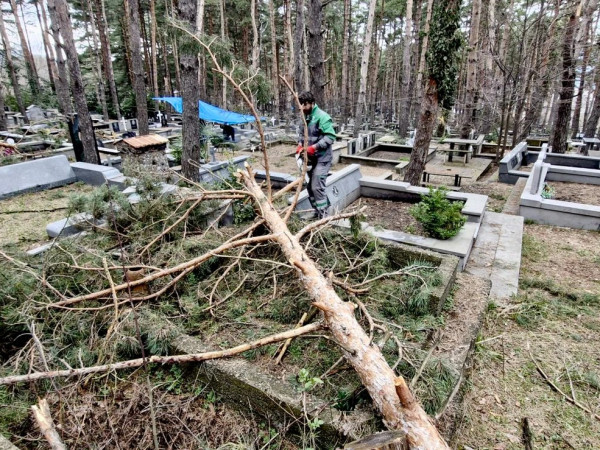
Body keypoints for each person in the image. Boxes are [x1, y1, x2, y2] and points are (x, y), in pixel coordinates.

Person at [295, 91, 336, 219]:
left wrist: (315, 147)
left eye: (305, 104)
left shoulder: (322, 116)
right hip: (310, 159)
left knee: (317, 187)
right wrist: (300, 144)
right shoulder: (304, 116)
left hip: (323, 158)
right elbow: (302, 134)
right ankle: (317, 211)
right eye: (301, 105)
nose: (302, 107)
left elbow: (330, 137)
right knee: (310, 187)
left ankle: (324, 216)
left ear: (312, 103)